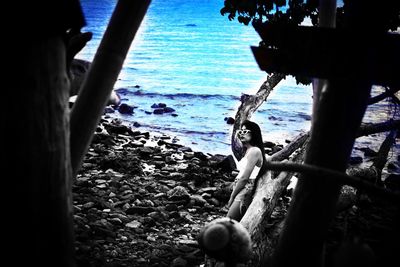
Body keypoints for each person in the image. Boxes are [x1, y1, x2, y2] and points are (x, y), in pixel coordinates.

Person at [226, 120, 268, 221]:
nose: (241, 134)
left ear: (254, 133)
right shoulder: (249, 150)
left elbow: (245, 178)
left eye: (245, 131)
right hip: (241, 187)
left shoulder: (255, 151)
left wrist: (232, 196)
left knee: (230, 221)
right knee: (233, 222)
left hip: (245, 189)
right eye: (240, 131)